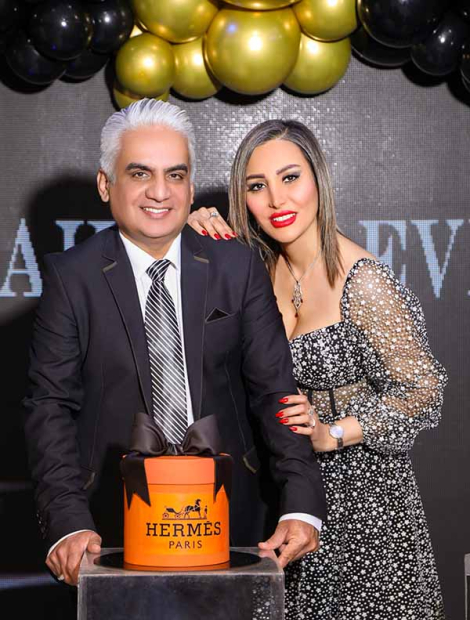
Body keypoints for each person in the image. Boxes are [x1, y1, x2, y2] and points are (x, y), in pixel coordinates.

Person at [188, 119, 447, 620]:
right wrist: (190, 224)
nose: (276, 200)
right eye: (257, 186)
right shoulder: (250, 265)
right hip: (280, 488)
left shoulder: (364, 280)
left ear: (318, 180)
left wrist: (335, 431)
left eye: (290, 178)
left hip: (360, 500)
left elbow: (424, 390)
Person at [23, 101, 327, 588]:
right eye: (139, 173)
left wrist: (301, 504)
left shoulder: (237, 266)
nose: (160, 192)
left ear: (190, 186)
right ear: (105, 184)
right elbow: (50, 406)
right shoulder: (71, 276)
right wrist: (67, 521)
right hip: (110, 521)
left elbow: (276, 391)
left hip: (233, 514)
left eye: (175, 175)